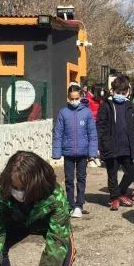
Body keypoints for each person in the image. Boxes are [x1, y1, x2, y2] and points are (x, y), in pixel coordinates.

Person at [96, 75, 134, 211]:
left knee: (133, 171)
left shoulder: (130, 106)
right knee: (112, 174)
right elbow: (101, 126)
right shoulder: (106, 106)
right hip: (111, 146)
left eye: (123, 93)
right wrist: (100, 145)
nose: (120, 95)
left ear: (127, 92)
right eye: (118, 93)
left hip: (128, 146)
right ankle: (114, 199)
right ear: (113, 91)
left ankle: (121, 192)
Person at [52, 83, 98, 218]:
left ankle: (79, 204)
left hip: (83, 153)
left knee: (81, 178)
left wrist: (92, 152)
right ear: (68, 98)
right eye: (71, 98)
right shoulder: (63, 113)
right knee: (69, 179)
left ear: (80, 97)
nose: (74, 101)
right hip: (68, 153)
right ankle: (70, 205)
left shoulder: (87, 112)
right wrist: (56, 152)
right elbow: (58, 133)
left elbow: (92, 134)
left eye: (76, 98)